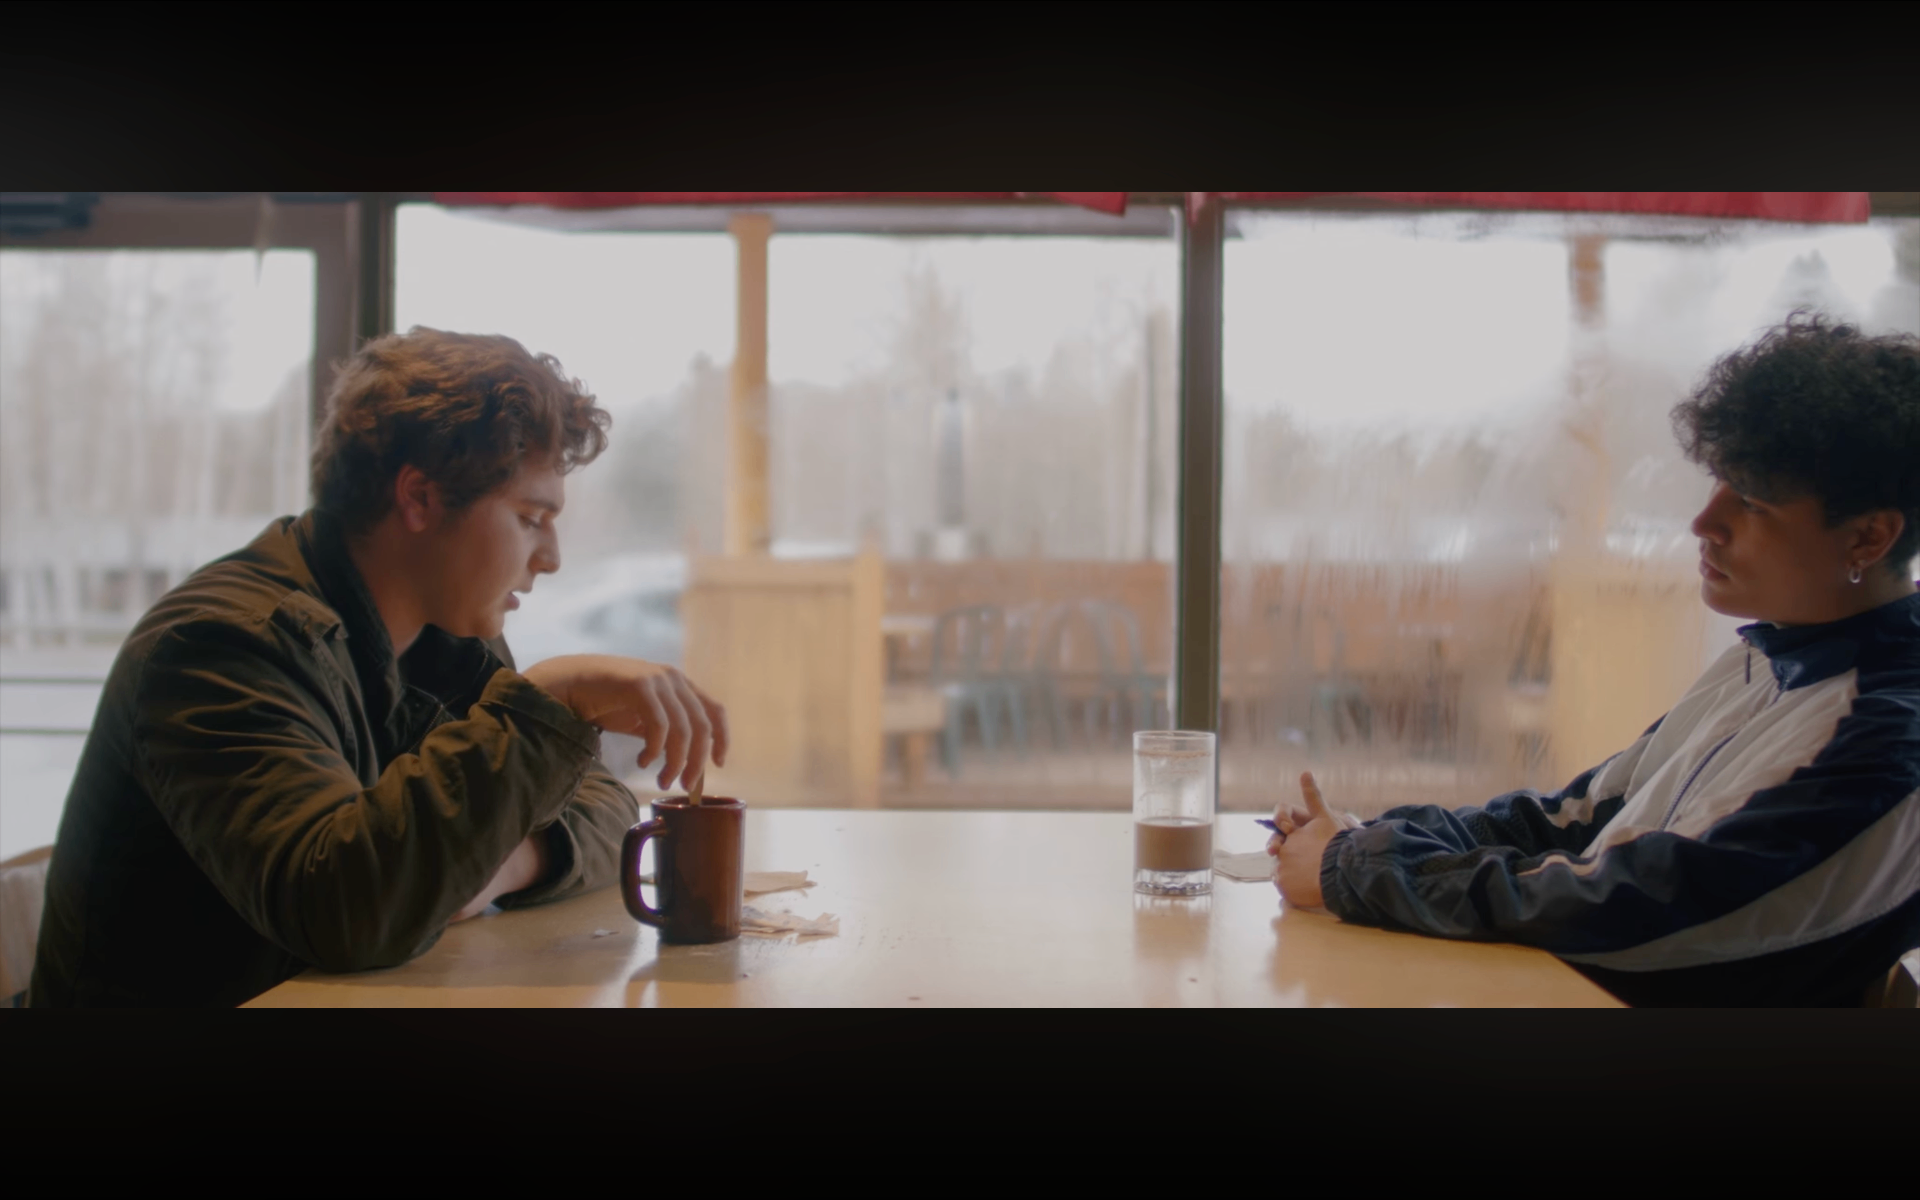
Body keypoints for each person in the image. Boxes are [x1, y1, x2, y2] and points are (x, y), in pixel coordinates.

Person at [29, 329, 727, 1007]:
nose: (551, 558)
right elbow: (343, 911)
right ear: (419, 498)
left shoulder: (447, 637)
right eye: (528, 518)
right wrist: (552, 701)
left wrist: (496, 866)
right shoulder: (222, 646)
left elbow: (603, 804)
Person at [1268, 313, 1920, 1006]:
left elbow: (1634, 906)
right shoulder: (1769, 657)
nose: (1704, 522)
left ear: (1869, 538)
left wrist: (1356, 868)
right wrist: (1370, 837)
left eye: (1751, 503)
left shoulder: (1885, 738)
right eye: (1717, 484)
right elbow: (1574, 819)